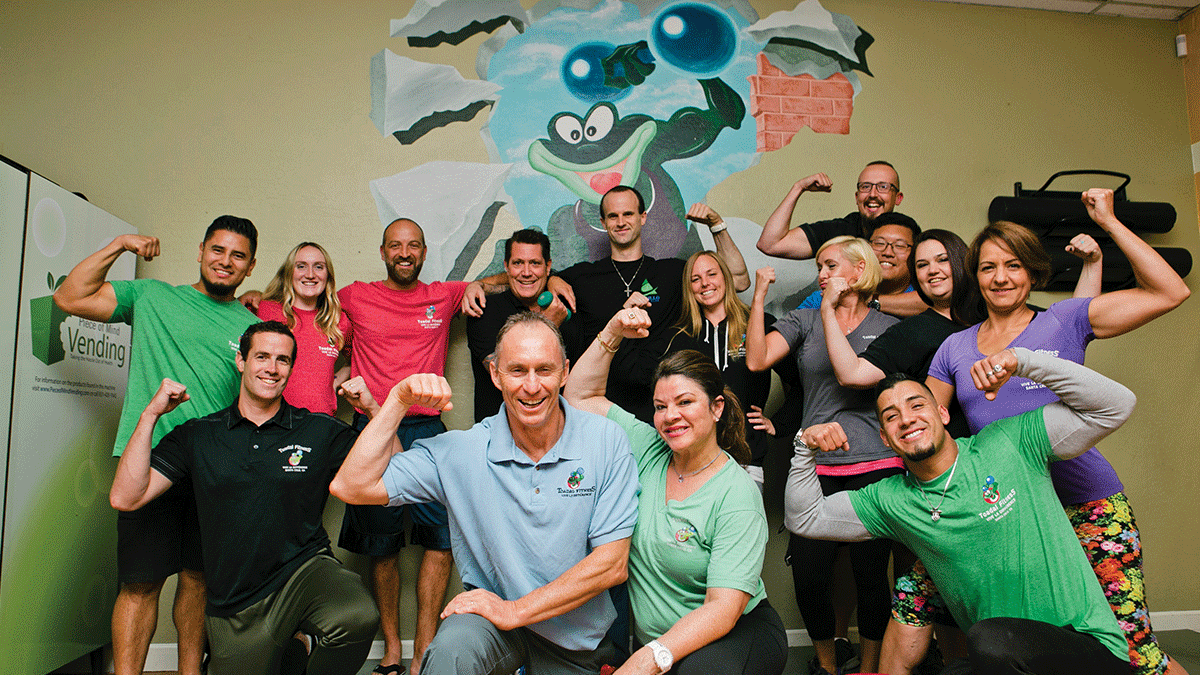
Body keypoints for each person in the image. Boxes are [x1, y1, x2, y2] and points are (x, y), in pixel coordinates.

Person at [912, 189, 1191, 675]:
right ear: (974, 277)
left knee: (1135, 652)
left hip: (1088, 505)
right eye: (988, 267)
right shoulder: (954, 348)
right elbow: (924, 423)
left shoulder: (1064, 320)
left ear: (1033, 272)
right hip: (1014, 521)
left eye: (1014, 265)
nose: (1001, 277)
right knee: (1032, 648)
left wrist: (1109, 222)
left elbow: (1171, 292)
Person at [787, 347, 1138, 675]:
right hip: (1003, 659)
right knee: (960, 667)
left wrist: (1025, 361)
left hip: (1087, 650)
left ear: (942, 412)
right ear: (885, 437)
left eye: (917, 406)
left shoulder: (1009, 443)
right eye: (892, 417)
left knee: (989, 641)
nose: (906, 420)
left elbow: (1117, 405)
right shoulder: (891, 501)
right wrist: (804, 446)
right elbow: (805, 518)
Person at [330, 312, 640, 675]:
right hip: (490, 625)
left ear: (565, 372)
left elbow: (612, 565)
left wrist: (515, 610)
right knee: (450, 650)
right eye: (517, 370)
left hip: (575, 636)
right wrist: (398, 401)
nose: (532, 385)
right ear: (495, 374)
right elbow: (350, 485)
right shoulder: (463, 451)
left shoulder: (605, 440)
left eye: (544, 369)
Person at [109, 321, 381, 675]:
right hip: (235, 602)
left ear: (291, 369)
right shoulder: (198, 435)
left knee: (357, 616)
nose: (271, 368)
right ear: (241, 361)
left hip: (303, 571)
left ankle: (293, 646)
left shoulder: (317, 429)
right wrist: (150, 415)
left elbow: (394, 471)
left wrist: (376, 412)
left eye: (282, 360)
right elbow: (125, 497)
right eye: (262, 357)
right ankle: (290, 651)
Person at [53, 216, 261, 675]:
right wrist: (120, 245)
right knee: (140, 584)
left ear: (250, 267)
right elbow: (69, 297)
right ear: (202, 250)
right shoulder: (152, 297)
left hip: (214, 468)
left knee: (198, 580)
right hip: (147, 462)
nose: (225, 261)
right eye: (218, 250)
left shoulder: (251, 327)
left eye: (238, 255)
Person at [565, 309, 788, 675]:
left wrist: (647, 658)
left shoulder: (736, 493)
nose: (670, 416)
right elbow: (580, 395)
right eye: (660, 406)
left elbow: (722, 609)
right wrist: (613, 329)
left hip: (734, 634)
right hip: (663, 644)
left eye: (684, 402)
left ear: (717, 408)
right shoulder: (648, 448)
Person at [745, 236, 900, 675]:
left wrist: (833, 310)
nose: (822, 273)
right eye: (819, 266)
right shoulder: (804, 319)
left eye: (831, 264)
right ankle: (828, 667)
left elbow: (855, 378)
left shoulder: (887, 328)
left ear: (859, 270)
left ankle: (868, 668)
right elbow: (757, 360)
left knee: (871, 577)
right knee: (810, 577)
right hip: (816, 466)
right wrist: (758, 297)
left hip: (874, 465)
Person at [334, 217, 480, 675]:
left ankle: (424, 651)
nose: (404, 253)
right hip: (372, 428)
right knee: (382, 544)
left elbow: (499, 281)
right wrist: (260, 300)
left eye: (413, 245)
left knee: (441, 540)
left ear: (422, 252)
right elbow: (307, 317)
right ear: (382, 252)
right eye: (395, 246)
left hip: (428, 431)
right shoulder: (354, 296)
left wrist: (482, 281)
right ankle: (394, 649)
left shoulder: (443, 294)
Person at [494, 190, 749, 424]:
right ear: (603, 223)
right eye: (613, 216)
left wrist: (718, 225)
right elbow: (527, 276)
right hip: (599, 412)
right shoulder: (581, 278)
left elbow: (737, 280)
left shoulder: (672, 272)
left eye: (628, 214)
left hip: (664, 413)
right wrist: (551, 280)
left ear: (643, 217)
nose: (621, 222)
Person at [666, 248, 776, 491]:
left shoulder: (759, 323)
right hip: (694, 463)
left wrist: (779, 422)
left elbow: (801, 378)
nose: (705, 283)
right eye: (695, 279)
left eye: (712, 274)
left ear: (725, 277)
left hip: (747, 462)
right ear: (689, 288)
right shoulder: (680, 337)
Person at [756, 161, 925, 317]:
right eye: (866, 187)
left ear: (898, 197)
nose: (873, 194)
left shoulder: (909, 236)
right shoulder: (840, 232)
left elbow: (935, 298)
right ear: (857, 197)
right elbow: (770, 244)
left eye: (883, 187)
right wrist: (798, 188)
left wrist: (861, 300)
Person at [466, 228, 573, 422]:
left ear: (548, 267)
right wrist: (548, 325)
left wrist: (555, 279)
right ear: (506, 267)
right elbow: (503, 375)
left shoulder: (564, 307)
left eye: (535, 263)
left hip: (556, 431)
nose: (526, 272)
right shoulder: (484, 310)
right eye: (518, 263)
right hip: (499, 433)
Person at [257, 242, 352, 415]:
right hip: (274, 421)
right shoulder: (267, 310)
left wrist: (333, 383)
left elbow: (356, 360)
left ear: (328, 276)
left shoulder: (338, 321)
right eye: (301, 266)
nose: (310, 275)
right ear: (288, 273)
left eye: (319, 267)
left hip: (321, 422)